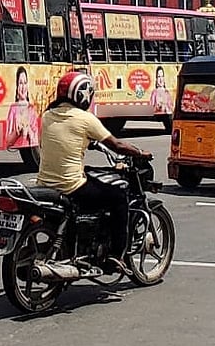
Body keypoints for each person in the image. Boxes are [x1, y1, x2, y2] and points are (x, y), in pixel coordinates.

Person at [37, 70, 151, 274]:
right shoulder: (85, 119)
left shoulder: (47, 115)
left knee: (90, 177)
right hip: (71, 186)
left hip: (44, 184)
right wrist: (140, 152)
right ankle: (117, 256)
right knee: (118, 197)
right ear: (83, 95)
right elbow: (116, 144)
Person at [5, 66, 40, 148]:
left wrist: (29, 131)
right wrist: (17, 131)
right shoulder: (13, 108)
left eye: (25, 83)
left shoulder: (31, 109)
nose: (23, 87)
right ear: (17, 86)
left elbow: (37, 138)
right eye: (20, 83)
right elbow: (8, 140)